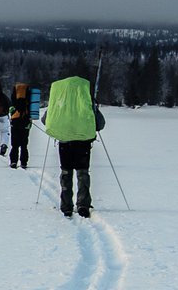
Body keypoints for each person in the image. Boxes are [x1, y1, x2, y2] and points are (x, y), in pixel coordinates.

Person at [45, 74, 106, 217]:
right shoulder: (86, 101)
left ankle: (66, 205)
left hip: (64, 143)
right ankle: (83, 204)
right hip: (83, 144)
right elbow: (100, 124)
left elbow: (46, 120)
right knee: (82, 173)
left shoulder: (59, 102)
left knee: (66, 172)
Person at [8, 82, 33, 169]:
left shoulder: (14, 96)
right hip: (25, 121)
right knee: (24, 144)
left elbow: (11, 108)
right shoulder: (29, 96)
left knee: (14, 145)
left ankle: (13, 161)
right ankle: (23, 162)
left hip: (15, 122)